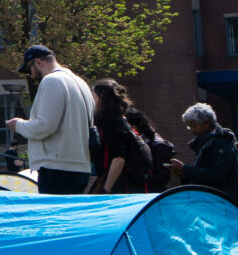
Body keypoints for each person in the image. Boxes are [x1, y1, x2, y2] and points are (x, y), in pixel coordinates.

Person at [8, 45, 95, 195]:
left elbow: (45, 125)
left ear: (38, 62)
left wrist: (19, 126)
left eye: (29, 70)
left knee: (56, 217)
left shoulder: (51, 81)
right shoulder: (81, 83)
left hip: (57, 167)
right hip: (81, 166)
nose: (30, 75)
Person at [181, 103, 238, 219]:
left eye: (194, 126)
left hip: (225, 203)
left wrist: (185, 170)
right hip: (216, 201)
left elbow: (217, 173)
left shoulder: (221, 143)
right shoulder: (209, 142)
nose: (191, 131)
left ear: (206, 123)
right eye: (189, 127)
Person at [87, 81, 146, 194]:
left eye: (92, 96)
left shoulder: (111, 122)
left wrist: (106, 189)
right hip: (118, 182)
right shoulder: (117, 120)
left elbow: (118, 159)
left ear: (101, 97)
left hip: (118, 185)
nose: (91, 100)